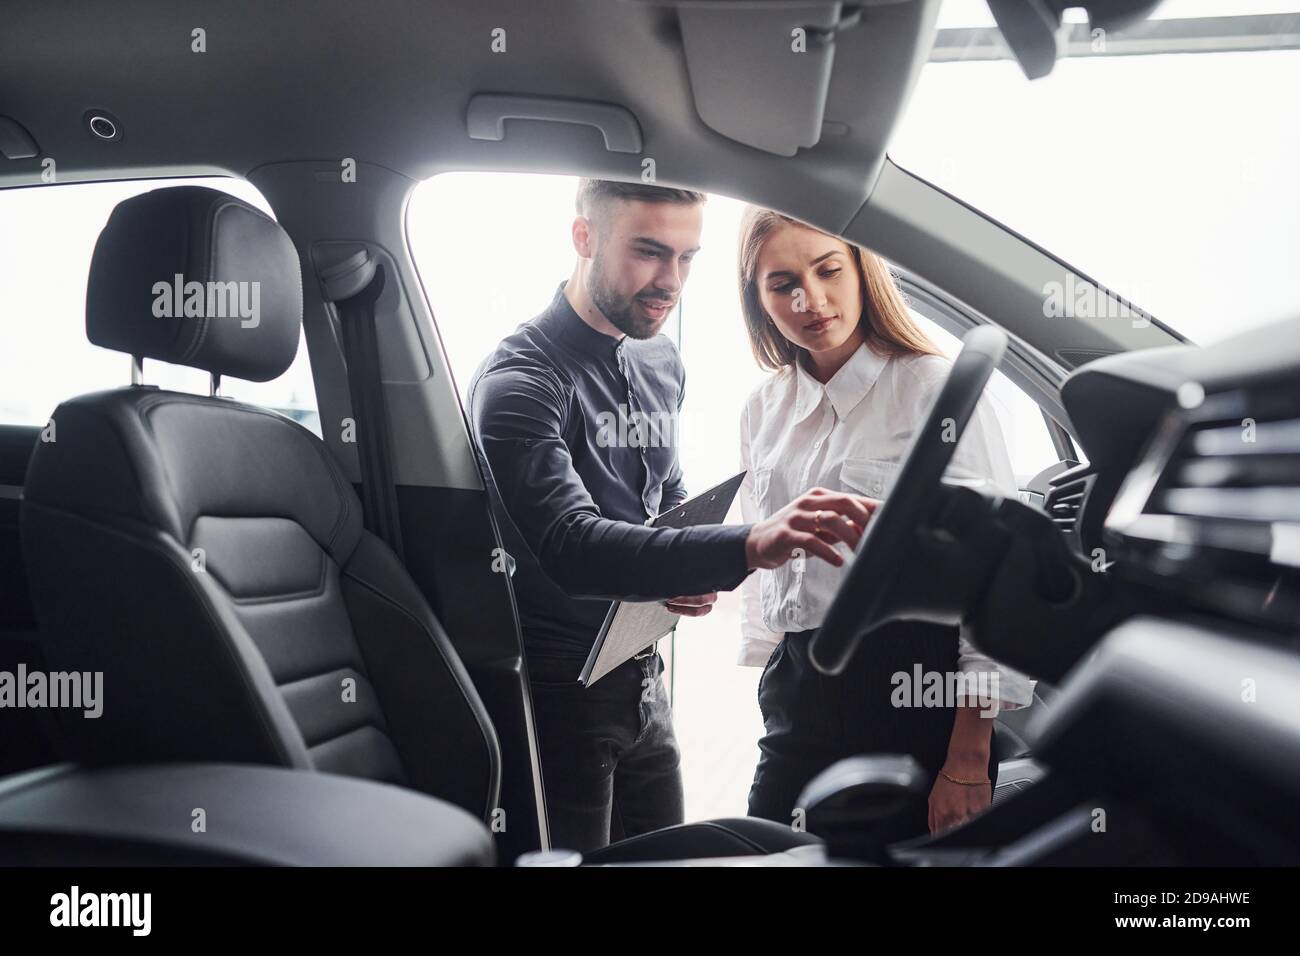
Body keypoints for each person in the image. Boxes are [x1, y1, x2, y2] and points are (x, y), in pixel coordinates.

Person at [468, 180, 873, 852]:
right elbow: (572, 545)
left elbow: (664, 491)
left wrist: (687, 557)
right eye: (651, 254)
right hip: (558, 695)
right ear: (584, 239)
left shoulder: (660, 358)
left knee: (675, 858)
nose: (670, 282)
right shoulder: (520, 382)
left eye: (688, 258)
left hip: (641, 675)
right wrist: (748, 543)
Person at [735, 206, 1036, 841]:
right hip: (798, 690)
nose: (810, 300)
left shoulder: (934, 389)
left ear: (862, 269)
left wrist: (968, 757)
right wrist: (770, 676)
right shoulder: (762, 408)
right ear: (758, 298)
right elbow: (769, 571)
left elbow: (993, 580)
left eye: (827, 270)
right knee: (765, 852)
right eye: (782, 283)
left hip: (912, 686)